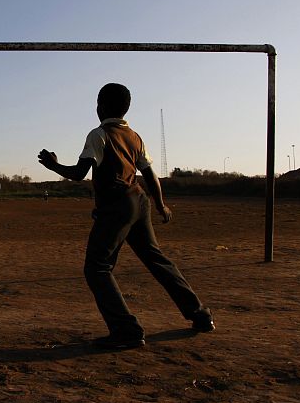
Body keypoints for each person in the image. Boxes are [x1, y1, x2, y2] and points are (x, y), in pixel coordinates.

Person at [38, 83, 214, 350]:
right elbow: (151, 175)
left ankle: (126, 330)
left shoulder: (99, 134)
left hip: (118, 205)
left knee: (97, 267)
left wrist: (53, 165)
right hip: (139, 201)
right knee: (157, 260)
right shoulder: (135, 136)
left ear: (101, 106)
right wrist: (160, 206)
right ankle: (200, 315)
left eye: (97, 103)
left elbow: (79, 173)